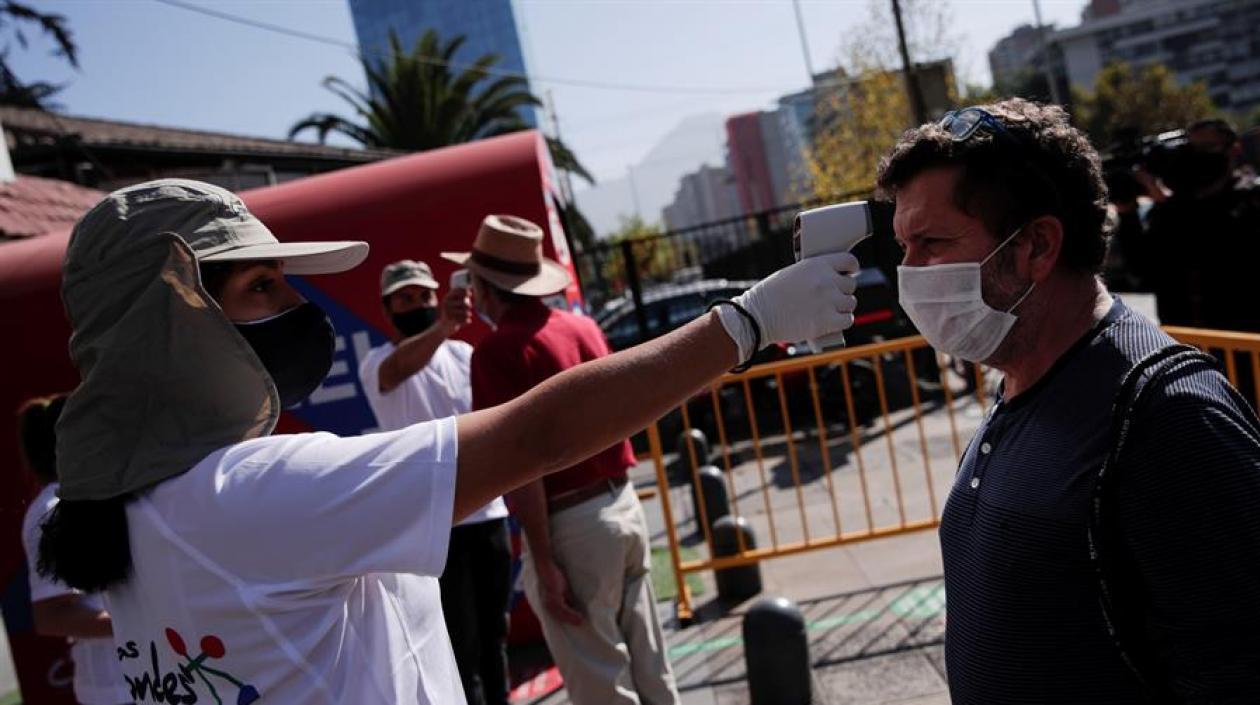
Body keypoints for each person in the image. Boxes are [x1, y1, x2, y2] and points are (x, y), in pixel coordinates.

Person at [35, 179, 859, 704]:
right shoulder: (251, 492)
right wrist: (749, 322)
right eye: (262, 285)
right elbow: (535, 434)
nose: (295, 305)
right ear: (173, 315)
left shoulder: (120, 506)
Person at [876, 98, 1260, 704]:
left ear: (1036, 246)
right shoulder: (1018, 382)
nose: (910, 271)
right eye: (904, 246)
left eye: (931, 242)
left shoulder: (1169, 417)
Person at [443, 215, 675, 705]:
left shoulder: (498, 352)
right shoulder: (582, 327)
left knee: (602, 684)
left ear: (483, 285)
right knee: (651, 665)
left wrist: (544, 559)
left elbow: (520, 466)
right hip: (623, 503)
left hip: (571, 527)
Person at [358, 259, 512, 705]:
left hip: (489, 515)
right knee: (460, 644)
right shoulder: (376, 364)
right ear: (387, 309)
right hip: (434, 525)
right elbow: (400, 368)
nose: (417, 304)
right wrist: (443, 325)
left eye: (424, 295)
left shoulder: (464, 356)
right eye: (405, 298)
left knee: (495, 634)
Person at [19, 394, 134, 705]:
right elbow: (52, 616)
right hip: (114, 691)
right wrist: (142, 621)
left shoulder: (93, 495)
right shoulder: (52, 509)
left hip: (143, 681)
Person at [1146, 118, 1260, 330]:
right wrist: (1128, 212)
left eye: (1208, 147)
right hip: (1184, 342)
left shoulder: (1250, 201)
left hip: (1243, 340)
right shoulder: (1170, 210)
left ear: (1234, 150)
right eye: (1191, 149)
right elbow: (1142, 271)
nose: (1197, 156)